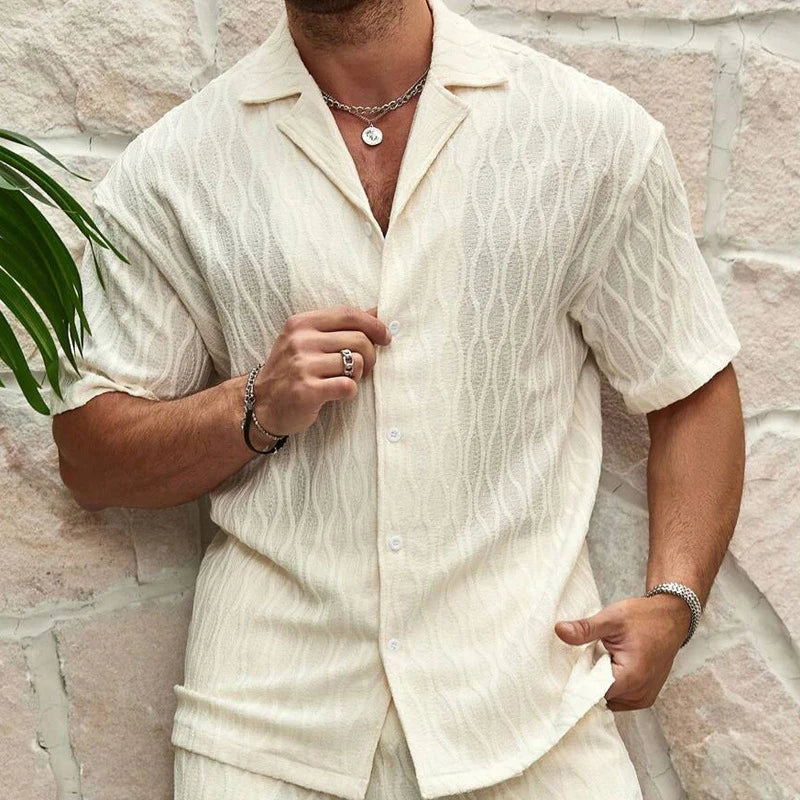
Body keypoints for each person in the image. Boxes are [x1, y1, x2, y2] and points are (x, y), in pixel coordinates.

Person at [49, 0, 745, 797]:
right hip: (264, 737)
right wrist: (253, 405)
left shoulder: (590, 135)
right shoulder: (173, 169)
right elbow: (91, 459)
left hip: (531, 710)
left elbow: (688, 381)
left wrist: (675, 600)